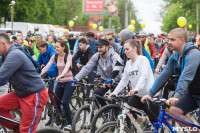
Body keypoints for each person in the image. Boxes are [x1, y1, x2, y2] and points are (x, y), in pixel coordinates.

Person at [141, 28, 200, 132]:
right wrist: (150, 94)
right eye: (168, 39)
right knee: (173, 111)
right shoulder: (176, 56)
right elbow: (164, 75)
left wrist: (176, 96)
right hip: (193, 92)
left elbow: (185, 78)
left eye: (172, 40)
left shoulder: (193, 54)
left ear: (182, 40)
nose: (168, 42)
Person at [0, 33, 48, 133]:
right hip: (21, 93)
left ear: (3, 44)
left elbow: (1, 76)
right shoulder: (6, 56)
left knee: (26, 130)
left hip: (34, 94)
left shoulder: (14, 55)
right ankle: (17, 128)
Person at [109, 39, 159, 125]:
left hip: (150, 96)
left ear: (135, 48)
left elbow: (144, 76)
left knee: (156, 124)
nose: (125, 52)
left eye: (127, 49)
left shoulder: (143, 60)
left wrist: (136, 89)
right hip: (138, 96)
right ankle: (143, 121)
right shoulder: (128, 64)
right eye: (124, 49)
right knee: (127, 109)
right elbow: (124, 80)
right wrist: (115, 92)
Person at [71, 39, 120, 106]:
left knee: (114, 101)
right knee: (96, 95)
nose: (99, 49)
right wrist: (76, 78)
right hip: (105, 78)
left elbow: (116, 69)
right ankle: (105, 110)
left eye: (101, 47)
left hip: (116, 79)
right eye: (98, 47)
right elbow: (87, 67)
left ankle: (114, 115)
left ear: (107, 47)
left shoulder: (114, 56)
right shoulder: (97, 56)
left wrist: (111, 79)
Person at [40, 40, 75, 130]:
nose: (56, 48)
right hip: (60, 81)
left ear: (63, 47)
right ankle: (62, 121)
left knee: (65, 102)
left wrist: (62, 74)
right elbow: (47, 66)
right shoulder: (55, 56)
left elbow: (67, 66)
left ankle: (70, 123)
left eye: (58, 47)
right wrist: (39, 75)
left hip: (69, 81)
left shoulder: (68, 56)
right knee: (56, 102)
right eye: (55, 47)